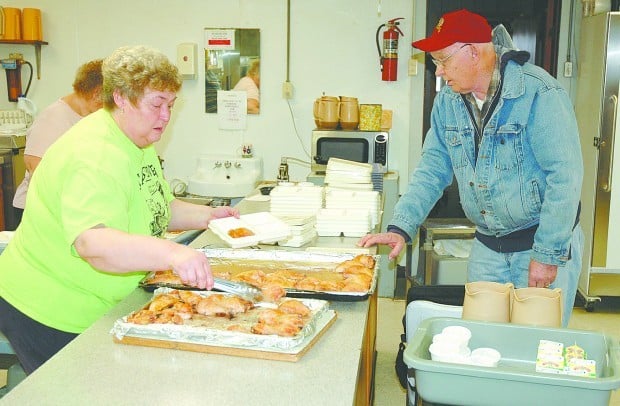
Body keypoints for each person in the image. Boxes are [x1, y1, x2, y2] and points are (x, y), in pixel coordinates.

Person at [0, 45, 239, 374]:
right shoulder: (94, 152)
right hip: (49, 307)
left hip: (100, 303)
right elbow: (93, 244)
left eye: (171, 105)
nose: (166, 116)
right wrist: (171, 254)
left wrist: (207, 216)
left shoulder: (139, 141)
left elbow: (156, 205)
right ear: (122, 98)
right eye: (157, 104)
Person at [359, 9, 583, 327]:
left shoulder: (539, 93)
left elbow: (565, 177)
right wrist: (401, 227)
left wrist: (547, 254)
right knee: (481, 342)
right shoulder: (448, 102)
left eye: (442, 61)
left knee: (535, 348)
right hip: (488, 245)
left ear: (474, 52)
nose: (437, 72)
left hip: (541, 242)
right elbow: (433, 168)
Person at [12, 59, 105, 226]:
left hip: (68, 211)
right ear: (97, 93)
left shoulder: (91, 118)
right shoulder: (53, 118)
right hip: (37, 212)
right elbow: (35, 169)